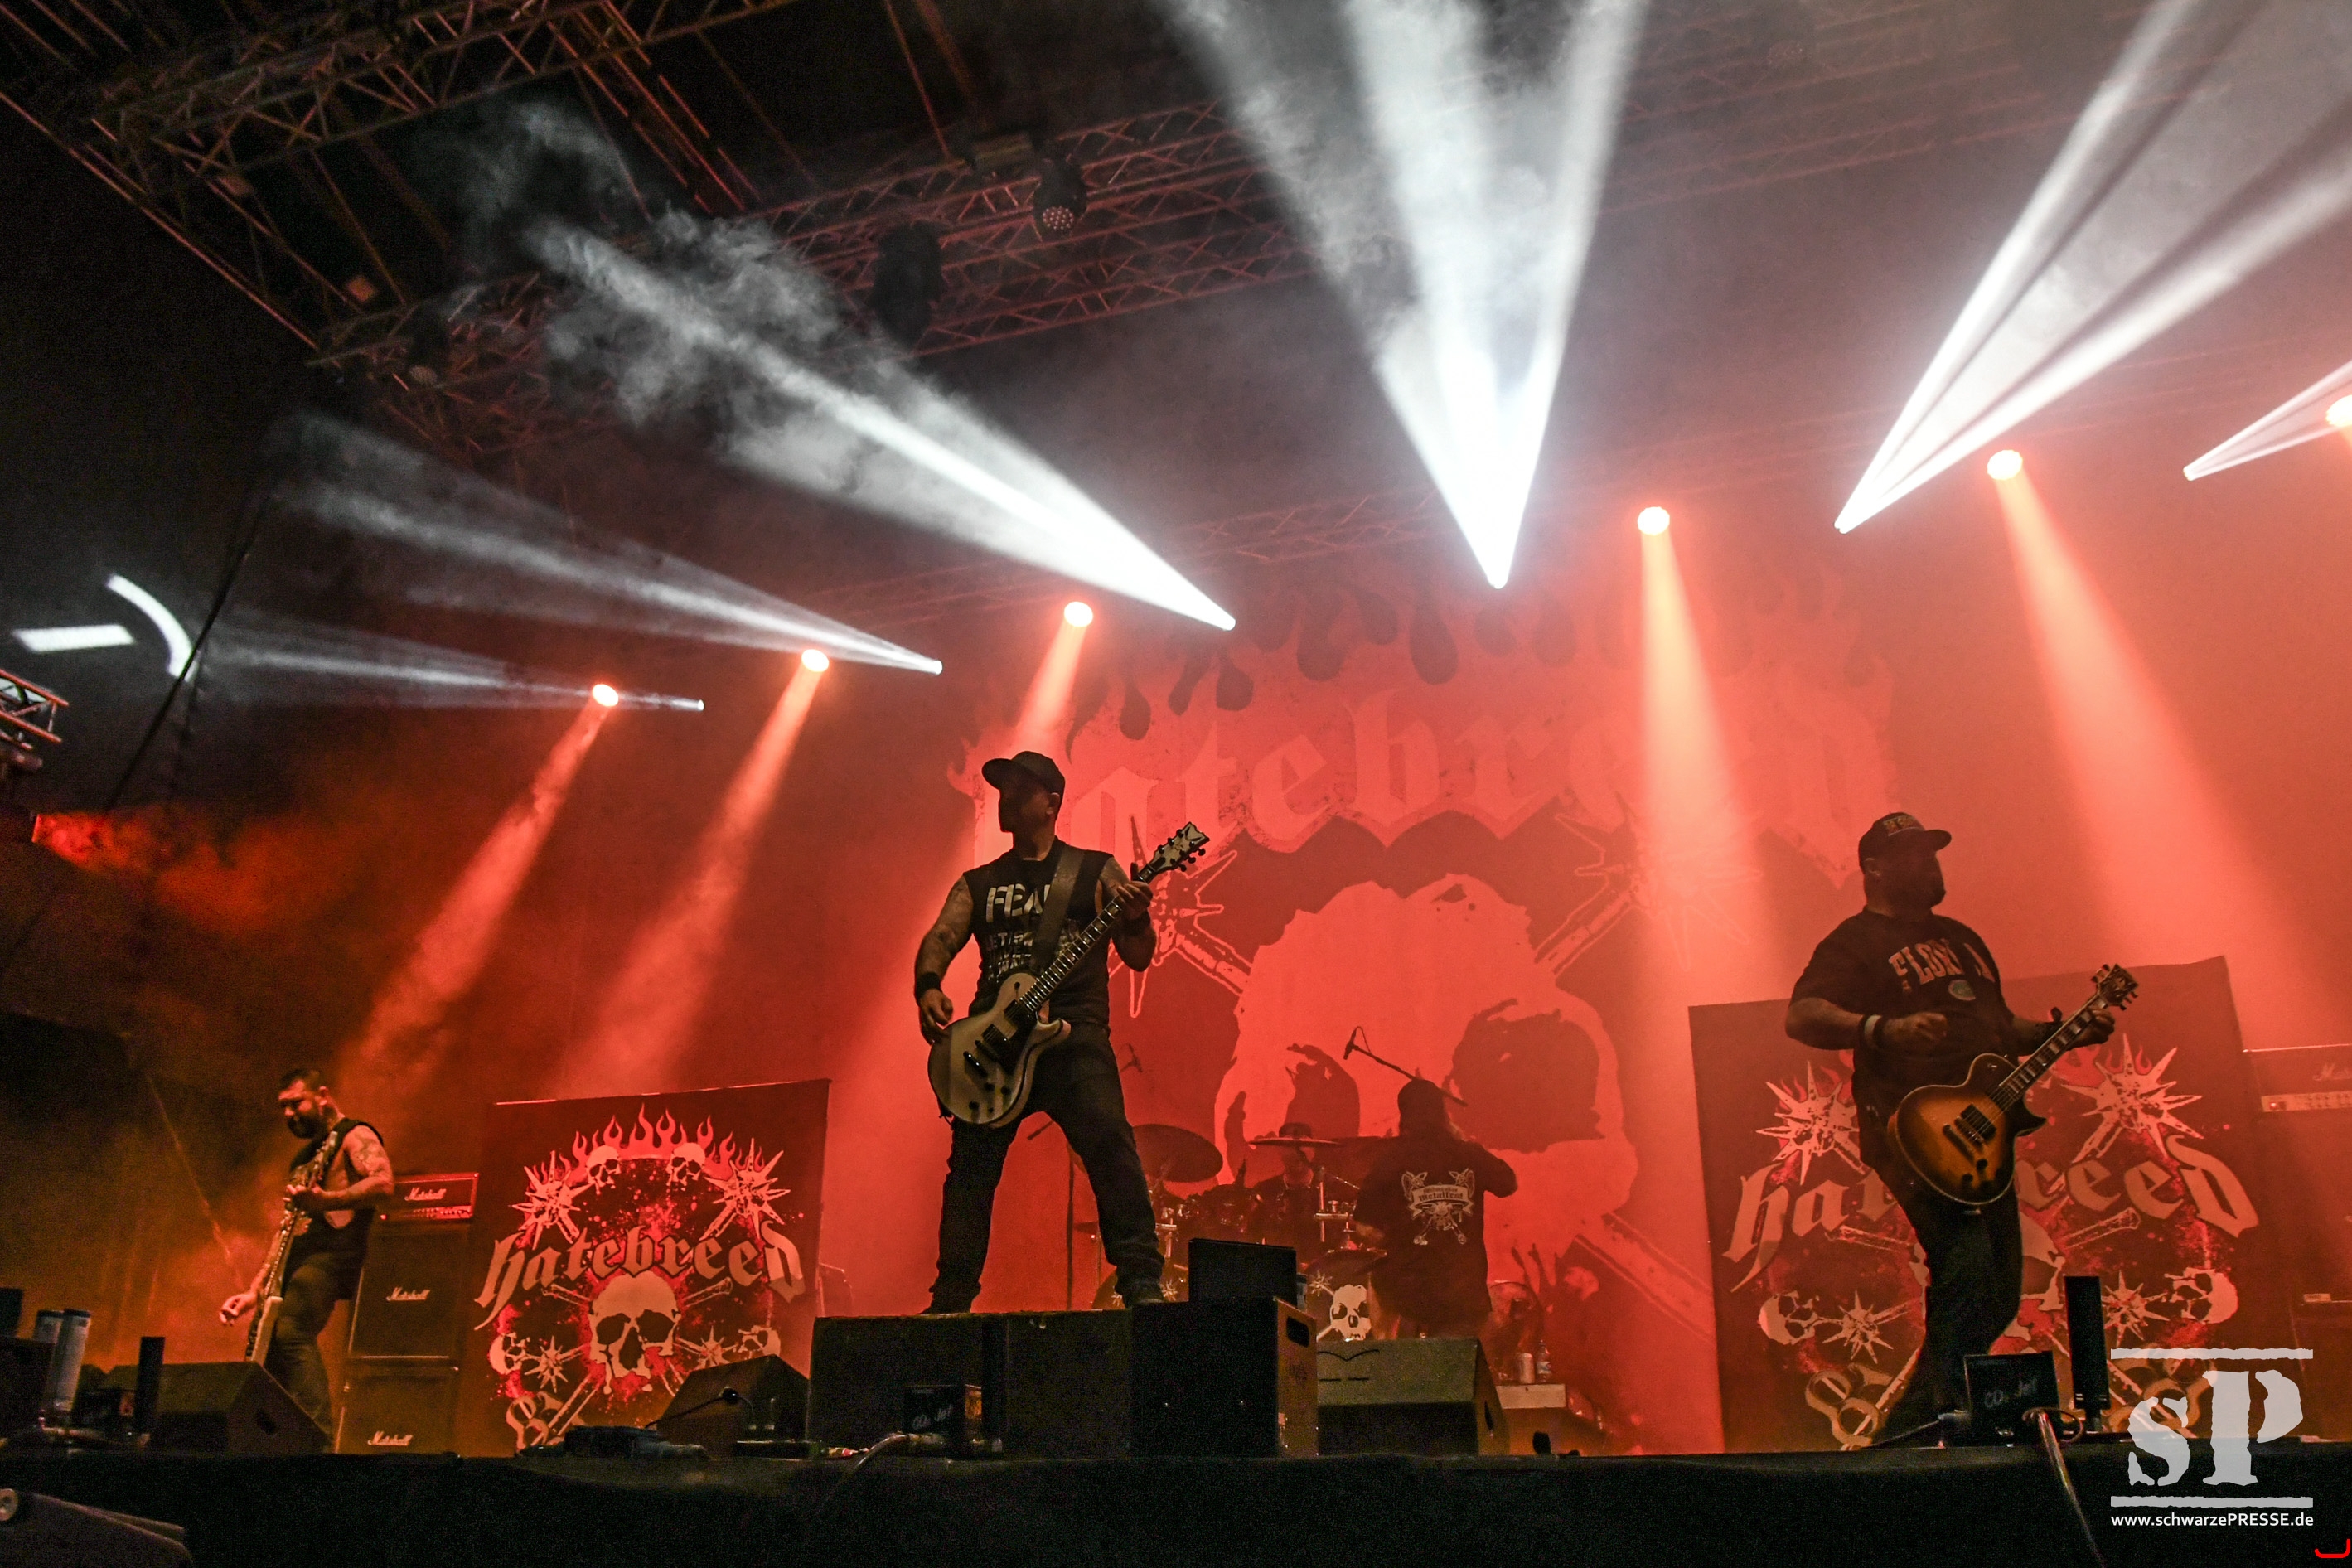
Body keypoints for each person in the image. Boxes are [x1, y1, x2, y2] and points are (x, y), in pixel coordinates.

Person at [1784, 811, 2112, 1440]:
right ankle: (1929, 1422)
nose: (1931, 866)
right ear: (1874, 870)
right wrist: (1881, 1028)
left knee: (2001, 1286)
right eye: (1914, 856)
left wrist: (2062, 1033)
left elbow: (2001, 1028)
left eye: (1933, 854)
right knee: (1965, 1261)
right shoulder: (1854, 941)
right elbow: (1802, 1015)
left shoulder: (1963, 939)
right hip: (1911, 1128)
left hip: (1983, 1133)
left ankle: (1916, 1424)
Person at [915, 749, 1164, 1311]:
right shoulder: (979, 883)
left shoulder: (1095, 870)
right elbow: (941, 936)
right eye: (1003, 789)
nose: (1005, 798)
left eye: (1020, 790)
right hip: (993, 1043)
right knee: (970, 1173)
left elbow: (1139, 955)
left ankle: (1141, 1280)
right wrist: (928, 985)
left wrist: (1137, 916)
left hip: (1074, 1036)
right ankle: (951, 1298)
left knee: (1110, 1142)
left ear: (1051, 803)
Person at [219, 1067, 394, 1430]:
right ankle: (277, 1439)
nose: (288, 1114)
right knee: (270, 1351)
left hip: (334, 1256)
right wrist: (254, 1290)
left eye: (296, 1103)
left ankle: (319, 1436)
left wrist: (326, 1200)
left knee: (292, 1331)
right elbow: (286, 1230)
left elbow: (383, 1183)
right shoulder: (301, 1160)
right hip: (298, 1259)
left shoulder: (355, 1135)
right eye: (282, 1106)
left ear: (323, 1096)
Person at [1353, 1078, 1517, 1339]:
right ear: (1443, 1113)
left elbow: (1364, 1227)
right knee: (1456, 1364)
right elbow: (1508, 1183)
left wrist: (1394, 1238)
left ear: (1404, 1115)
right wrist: (1466, 1143)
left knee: (1379, 1284)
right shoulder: (1468, 1154)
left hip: (1410, 1294)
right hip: (1463, 1295)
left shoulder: (1391, 1159)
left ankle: (1387, 1349)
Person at [1247, 1120, 1329, 1263]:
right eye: (1289, 1147)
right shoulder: (1266, 1191)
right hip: (1278, 1267)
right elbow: (1251, 1236)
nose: (1296, 1153)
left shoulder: (1330, 1191)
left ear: (1313, 1150)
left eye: (1302, 1147)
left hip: (1324, 1270)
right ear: (1280, 1151)